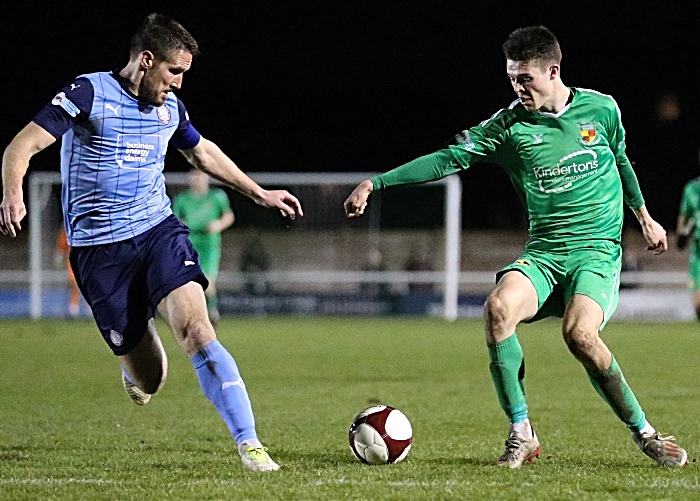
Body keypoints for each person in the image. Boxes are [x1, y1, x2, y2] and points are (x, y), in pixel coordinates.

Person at [344, 25, 687, 468]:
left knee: (579, 335)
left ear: (553, 70)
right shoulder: (507, 127)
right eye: (512, 79)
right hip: (545, 252)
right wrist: (377, 182)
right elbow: (447, 159)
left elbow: (620, 161)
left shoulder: (602, 110)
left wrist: (645, 217)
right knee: (498, 309)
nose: (518, 87)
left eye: (525, 78)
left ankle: (646, 434)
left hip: (596, 252)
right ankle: (521, 433)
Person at [0, 13, 303, 472]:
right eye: (174, 71)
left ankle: (250, 444)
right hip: (100, 253)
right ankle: (135, 367)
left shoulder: (170, 110)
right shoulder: (88, 93)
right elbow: (20, 147)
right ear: (146, 60)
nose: (179, 83)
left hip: (158, 231)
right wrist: (12, 193)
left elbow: (201, 151)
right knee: (152, 378)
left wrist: (259, 193)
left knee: (198, 332)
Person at [173, 169, 235, 325]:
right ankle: (195, 316)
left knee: (208, 283)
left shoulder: (217, 196)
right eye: (194, 176)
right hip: (189, 245)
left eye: (200, 176)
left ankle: (212, 311)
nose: (197, 180)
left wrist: (218, 225)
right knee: (190, 283)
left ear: (206, 178)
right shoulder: (183, 199)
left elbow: (228, 216)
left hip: (209, 245)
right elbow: (175, 219)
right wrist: (184, 225)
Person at [676, 147, 700, 319]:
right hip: (698, 254)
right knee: (698, 305)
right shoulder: (692, 189)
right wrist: (681, 235)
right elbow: (684, 216)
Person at [55, 225, 82, 317]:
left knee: (91, 285)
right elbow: (63, 243)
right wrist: (59, 254)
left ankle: (91, 310)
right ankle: (74, 309)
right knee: (74, 284)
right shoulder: (67, 225)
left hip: (87, 256)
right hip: (73, 258)